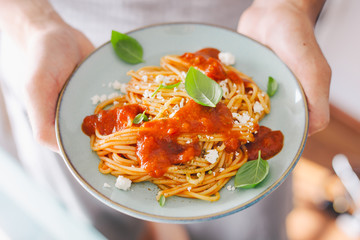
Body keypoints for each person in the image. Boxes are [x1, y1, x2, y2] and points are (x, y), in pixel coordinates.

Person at [0, 0, 331, 239]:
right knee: (86, 227)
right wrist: (35, 24)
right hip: (55, 50)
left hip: (243, 28)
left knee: (247, 229)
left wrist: (290, 6)